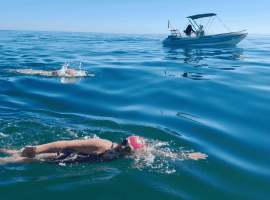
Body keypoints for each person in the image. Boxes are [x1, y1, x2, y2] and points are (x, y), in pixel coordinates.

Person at [0, 136, 207, 164]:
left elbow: (154, 152)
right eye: (125, 142)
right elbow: (65, 143)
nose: (124, 147)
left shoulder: (124, 152)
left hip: (75, 160)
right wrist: (37, 149)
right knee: (18, 160)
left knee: (12, 153)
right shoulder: (102, 144)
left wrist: (183, 155)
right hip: (58, 155)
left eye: (128, 148)